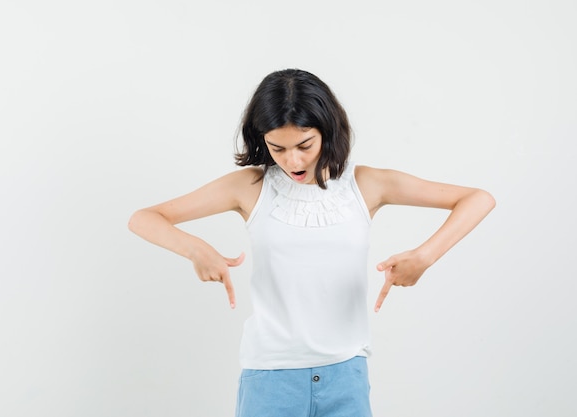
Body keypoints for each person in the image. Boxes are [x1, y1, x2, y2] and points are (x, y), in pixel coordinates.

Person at [128, 68, 495, 417]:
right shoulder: (249, 187)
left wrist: (424, 256)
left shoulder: (367, 184)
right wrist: (196, 249)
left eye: (305, 144)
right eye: (277, 148)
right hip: (271, 379)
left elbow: (478, 198)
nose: (293, 160)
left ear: (327, 130)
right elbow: (144, 218)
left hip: (345, 376)